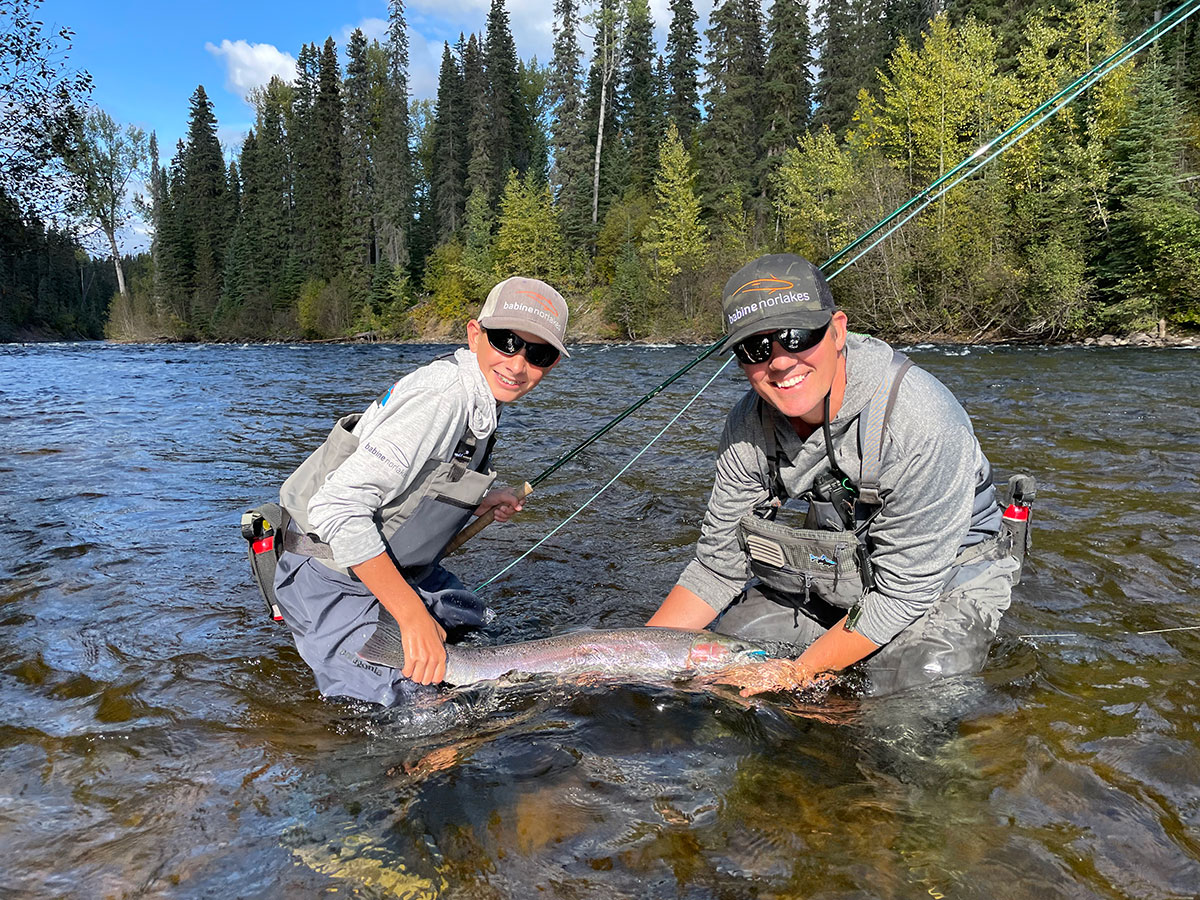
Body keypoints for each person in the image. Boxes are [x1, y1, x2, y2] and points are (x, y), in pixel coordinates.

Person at [646, 253, 1023, 697]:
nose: (781, 362)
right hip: (844, 573)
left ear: (838, 330)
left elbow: (901, 594)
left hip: (942, 577)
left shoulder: (921, 421)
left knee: (915, 691)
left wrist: (796, 674)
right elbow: (717, 567)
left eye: (796, 336)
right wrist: (627, 657)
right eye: (756, 348)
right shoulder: (747, 427)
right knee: (733, 650)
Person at [269, 277, 569, 705]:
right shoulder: (443, 398)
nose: (517, 365)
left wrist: (480, 499)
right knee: (420, 713)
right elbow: (337, 506)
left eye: (537, 353)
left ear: (552, 363)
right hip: (332, 572)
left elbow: (412, 483)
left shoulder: (483, 397)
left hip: (392, 564)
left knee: (487, 638)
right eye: (506, 341)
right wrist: (411, 616)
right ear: (474, 334)